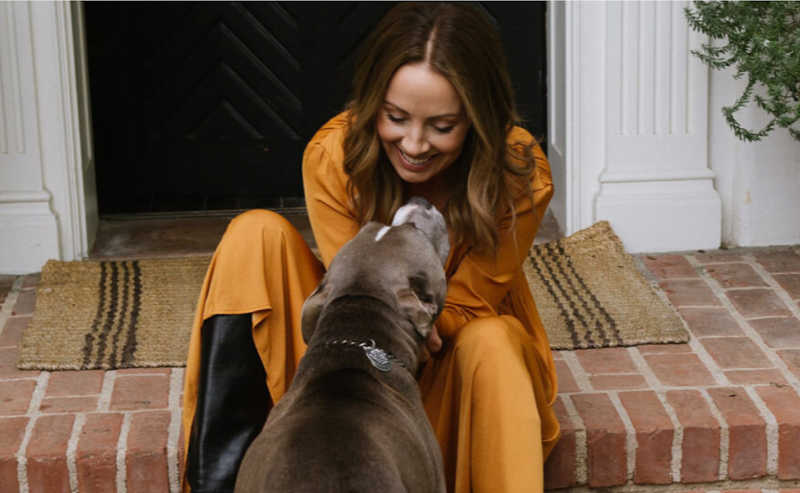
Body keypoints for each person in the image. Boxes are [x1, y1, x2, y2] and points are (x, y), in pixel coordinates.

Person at [182, 3, 559, 492]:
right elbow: (350, 299)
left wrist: (390, 309)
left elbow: (463, 308)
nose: (415, 144)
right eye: (396, 117)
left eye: (443, 126)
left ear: (479, 118)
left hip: (450, 381)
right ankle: (227, 480)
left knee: (494, 340)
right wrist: (388, 308)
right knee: (253, 235)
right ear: (373, 102)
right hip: (343, 379)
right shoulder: (333, 154)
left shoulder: (518, 172)